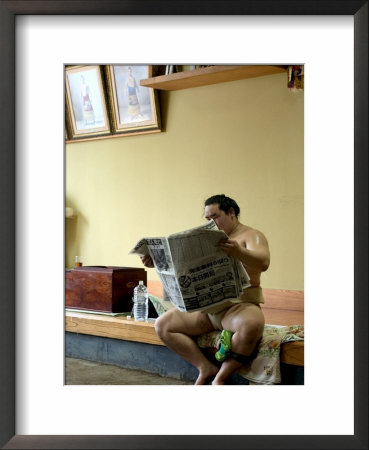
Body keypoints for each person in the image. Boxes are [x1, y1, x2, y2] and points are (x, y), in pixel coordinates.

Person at [140, 194, 270, 385]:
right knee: (163, 325)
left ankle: (221, 377)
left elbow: (264, 262)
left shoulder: (252, 235)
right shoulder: (204, 240)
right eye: (208, 219)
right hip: (206, 308)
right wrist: (158, 262)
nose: (212, 223)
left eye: (215, 217)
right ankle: (205, 367)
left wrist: (238, 251)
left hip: (238, 307)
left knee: (251, 326)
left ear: (231, 213)